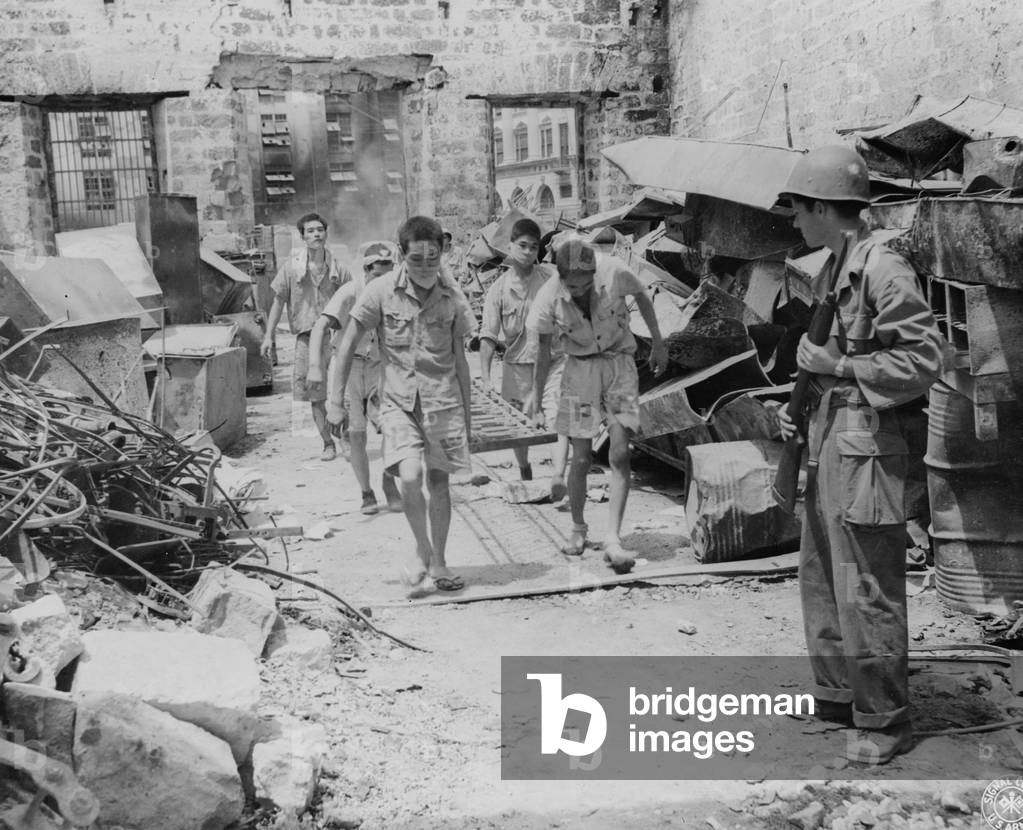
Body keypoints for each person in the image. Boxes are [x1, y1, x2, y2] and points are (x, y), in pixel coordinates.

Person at [774, 145, 945, 765]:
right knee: (821, 572)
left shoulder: (883, 267)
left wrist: (840, 365)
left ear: (824, 206)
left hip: (870, 444)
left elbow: (927, 360)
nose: (793, 221)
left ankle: (884, 720)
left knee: (868, 582)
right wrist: (802, 397)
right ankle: (840, 693)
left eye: (798, 209)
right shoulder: (836, 265)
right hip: (831, 432)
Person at [328, 216, 477, 598]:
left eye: (433, 259)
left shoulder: (452, 296)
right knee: (409, 478)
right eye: (417, 260)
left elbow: (461, 359)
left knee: (439, 483)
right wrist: (334, 400)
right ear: (401, 254)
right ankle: (422, 548)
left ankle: (439, 561)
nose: (426, 267)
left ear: (442, 253)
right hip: (397, 401)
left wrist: (468, 415)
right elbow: (347, 344)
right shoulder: (379, 291)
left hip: (443, 402)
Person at [527, 236, 668, 574]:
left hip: (620, 366)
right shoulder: (548, 297)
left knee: (621, 452)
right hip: (580, 374)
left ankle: (614, 538)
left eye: (585, 284)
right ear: (560, 278)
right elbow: (543, 351)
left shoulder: (615, 271)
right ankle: (577, 528)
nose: (578, 291)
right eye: (571, 285)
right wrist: (535, 396)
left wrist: (658, 342)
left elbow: (643, 297)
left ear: (595, 273)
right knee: (581, 456)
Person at [307, 241, 402, 515]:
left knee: (394, 427)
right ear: (366, 269)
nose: (382, 280)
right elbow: (320, 327)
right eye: (377, 273)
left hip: (379, 366)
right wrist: (315, 365)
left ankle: (388, 482)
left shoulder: (393, 292)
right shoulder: (350, 292)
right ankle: (366, 492)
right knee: (356, 435)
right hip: (349, 367)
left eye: (388, 273)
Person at [479, 218, 569, 496]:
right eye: (522, 246)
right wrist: (485, 377)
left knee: (555, 418)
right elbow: (488, 335)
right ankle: (524, 468)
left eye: (533, 247)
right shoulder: (498, 290)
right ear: (510, 247)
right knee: (517, 426)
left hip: (553, 362)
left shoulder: (551, 279)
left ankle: (557, 477)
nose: (528, 252)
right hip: (516, 366)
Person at [261, 213, 353, 461]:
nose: (316, 234)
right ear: (302, 236)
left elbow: (353, 302)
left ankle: (345, 439)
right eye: (310, 231)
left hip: (336, 336)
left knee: (342, 391)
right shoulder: (292, 269)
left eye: (320, 230)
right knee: (314, 394)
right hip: (305, 338)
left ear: (326, 233)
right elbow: (278, 302)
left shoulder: (339, 269)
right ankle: (327, 443)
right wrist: (269, 336)